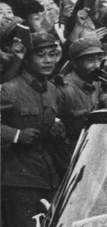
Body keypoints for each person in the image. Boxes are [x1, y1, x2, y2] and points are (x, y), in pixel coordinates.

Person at [1, 32, 68, 227]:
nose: (48, 61)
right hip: (19, 178)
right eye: (40, 55)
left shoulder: (53, 90)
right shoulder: (9, 90)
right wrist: (16, 135)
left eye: (52, 54)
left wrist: (58, 131)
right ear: (27, 59)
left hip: (48, 175)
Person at [56, 37, 104, 145]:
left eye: (99, 59)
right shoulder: (64, 90)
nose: (97, 66)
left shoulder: (96, 81)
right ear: (74, 63)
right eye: (90, 61)